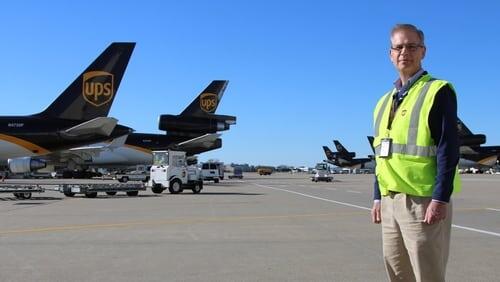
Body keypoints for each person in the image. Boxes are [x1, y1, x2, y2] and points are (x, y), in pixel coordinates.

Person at [370, 24, 461, 282]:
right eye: (398, 47)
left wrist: (440, 198)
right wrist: (378, 197)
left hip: (422, 202)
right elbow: (381, 155)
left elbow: (448, 147)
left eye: (412, 46)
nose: (404, 52)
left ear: (423, 51)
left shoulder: (437, 91)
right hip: (390, 201)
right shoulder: (384, 101)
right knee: (397, 273)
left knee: (427, 274)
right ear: (390, 54)